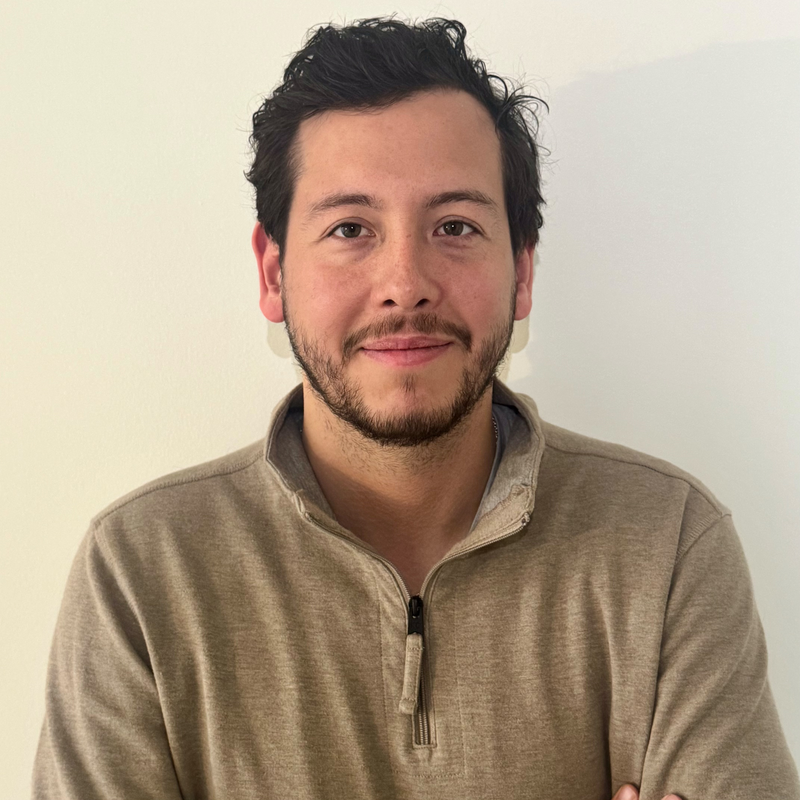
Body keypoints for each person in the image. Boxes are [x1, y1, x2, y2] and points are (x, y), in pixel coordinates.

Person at [32, 17, 798, 800]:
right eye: (350, 229)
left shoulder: (667, 543)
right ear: (272, 273)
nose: (405, 284)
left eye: (455, 226)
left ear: (522, 270)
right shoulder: (141, 571)